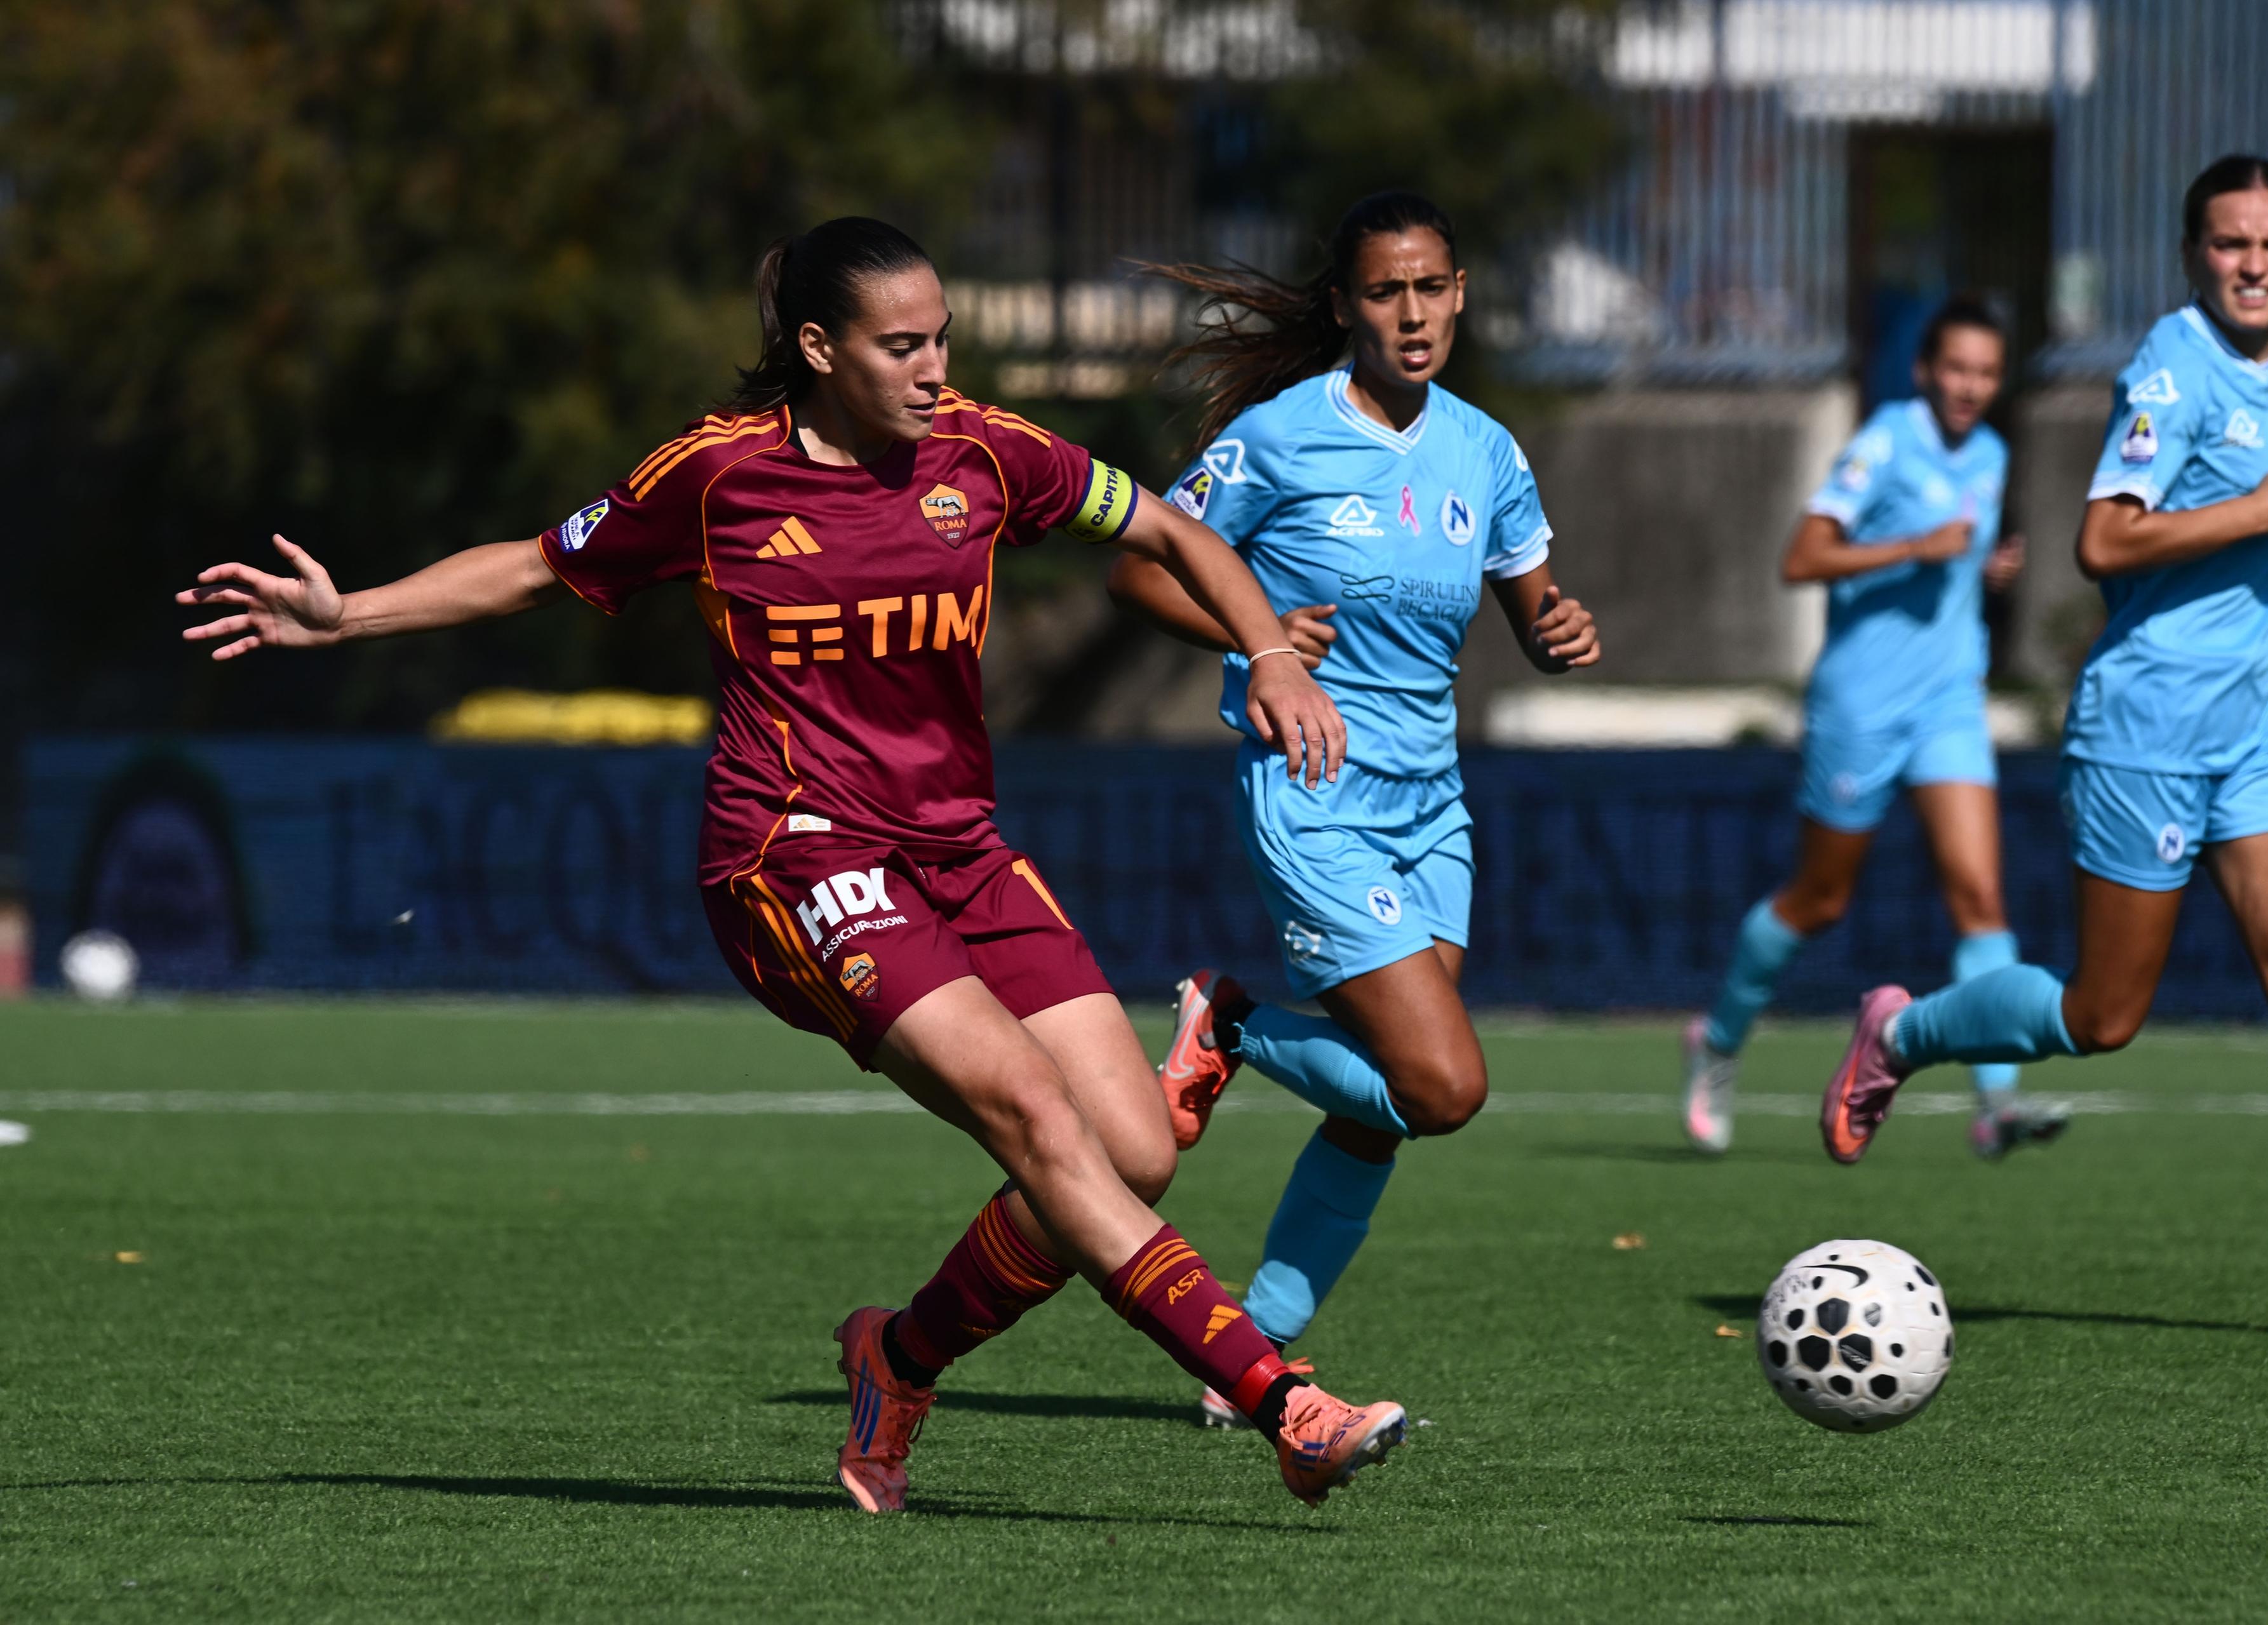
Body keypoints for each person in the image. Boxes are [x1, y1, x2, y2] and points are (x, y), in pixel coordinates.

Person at [177, 217, 1412, 1509]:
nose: (935, 365)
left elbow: (1173, 536)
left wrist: (1268, 650)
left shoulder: (990, 454)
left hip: (962, 850)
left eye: (942, 336)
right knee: (1040, 1121)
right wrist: (349, 614)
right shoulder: (718, 477)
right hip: (795, 856)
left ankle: (899, 1352)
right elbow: (542, 568)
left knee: (1132, 1155)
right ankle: (1285, 1401)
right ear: (819, 349)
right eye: (902, 344)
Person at [1816, 156, 2268, 1334]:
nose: (2253, 265)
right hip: (2144, 734)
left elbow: (2266, 522)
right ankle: (1898, 1032)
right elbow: (2105, 541)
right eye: (2230, 245)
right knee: (2102, 1017)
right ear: (2193, 254)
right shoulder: (2168, 366)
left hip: (2260, 732)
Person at [1108, 192, 1599, 1423]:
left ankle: (1254, 1354)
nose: (1414, 312)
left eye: (1432, 286)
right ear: (1347, 307)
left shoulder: (1486, 449)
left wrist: (1558, 631)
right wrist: (1256, 632)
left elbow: (1532, 605)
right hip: (1314, 785)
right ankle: (1229, 1023)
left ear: (1463, 292)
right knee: (1441, 1088)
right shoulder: (1280, 437)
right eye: (1387, 291)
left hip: (1432, 806)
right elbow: (1135, 569)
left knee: (1382, 1111)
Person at [1682, 300, 2069, 1160]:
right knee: (1818, 900)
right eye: (1956, 369)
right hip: (1861, 703)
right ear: (1926, 371)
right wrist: (1915, 550)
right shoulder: (1886, 442)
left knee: (1979, 898)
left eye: (1985, 372)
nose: (1970, 386)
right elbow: (1803, 557)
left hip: (1949, 704)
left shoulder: (1994, 456)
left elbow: (1954, 565)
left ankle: (1995, 1103)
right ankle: (1718, 1041)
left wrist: (1987, 570)